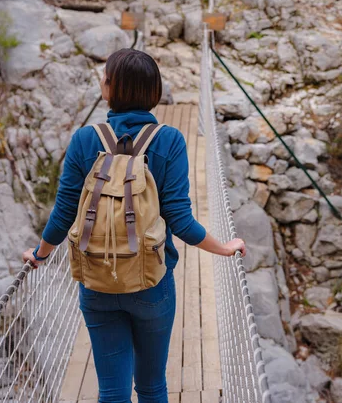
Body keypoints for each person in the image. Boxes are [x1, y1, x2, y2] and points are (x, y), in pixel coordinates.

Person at [21, 48, 246, 403]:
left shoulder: (85, 139)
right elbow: (181, 222)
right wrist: (225, 248)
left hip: (97, 282)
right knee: (152, 386)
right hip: (150, 284)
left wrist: (40, 254)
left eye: (105, 77)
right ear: (153, 91)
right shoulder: (169, 140)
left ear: (111, 88)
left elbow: (64, 214)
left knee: (112, 390)